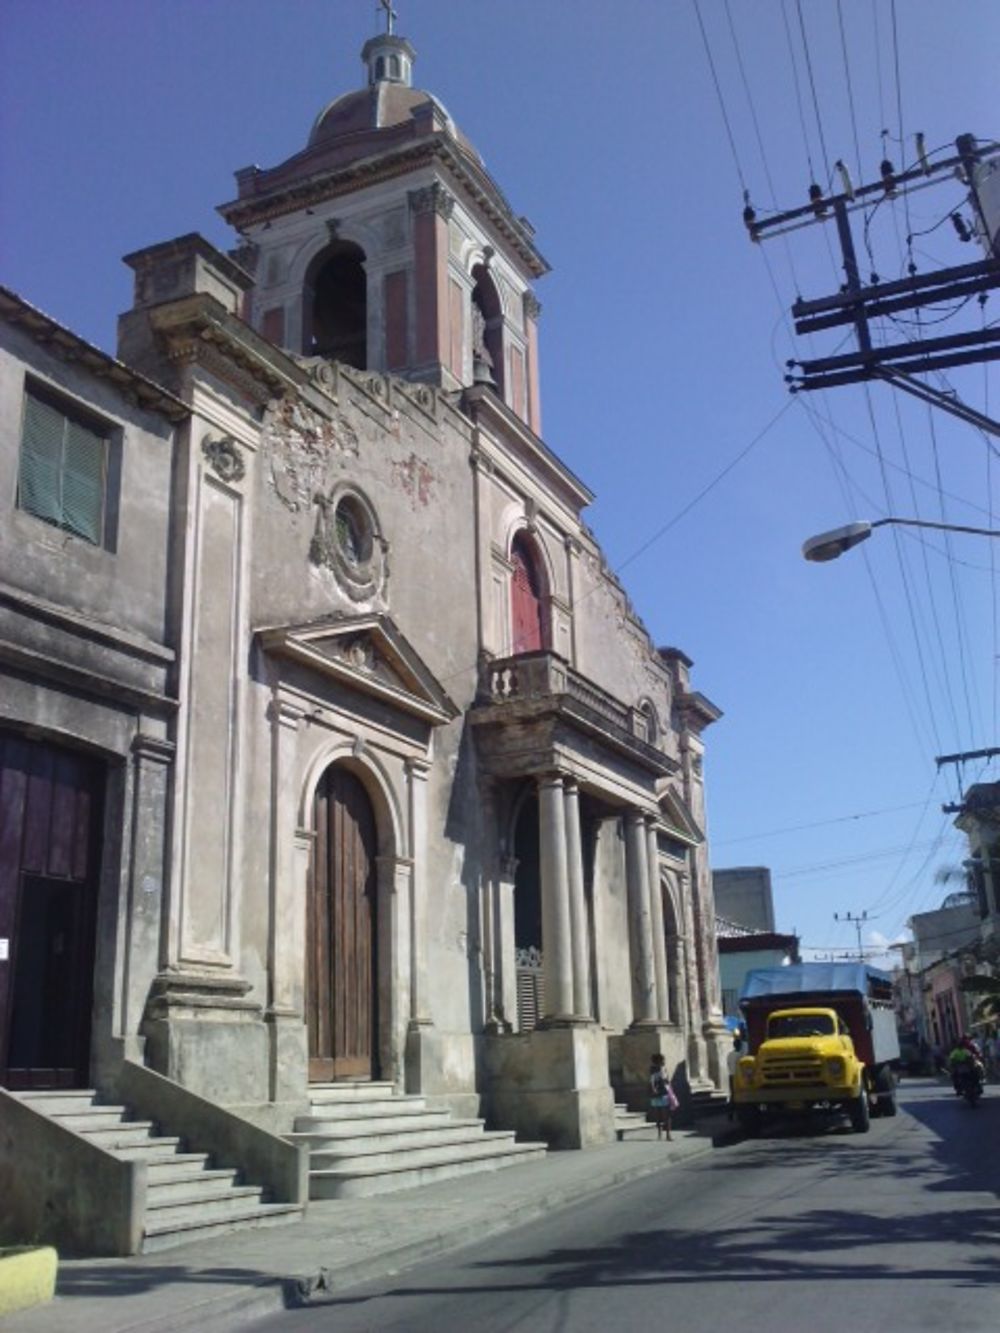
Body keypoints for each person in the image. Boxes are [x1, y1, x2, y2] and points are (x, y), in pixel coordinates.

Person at [649, 1053, 675, 1141]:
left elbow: (666, 1080)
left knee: (660, 1115)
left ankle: (662, 1134)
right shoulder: (657, 1070)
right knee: (665, 1115)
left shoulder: (657, 1069)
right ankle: (666, 1135)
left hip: (659, 1094)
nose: (664, 1061)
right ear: (659, 1061)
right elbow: (653, 1080)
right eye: (663, 1060)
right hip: (662, 1093)